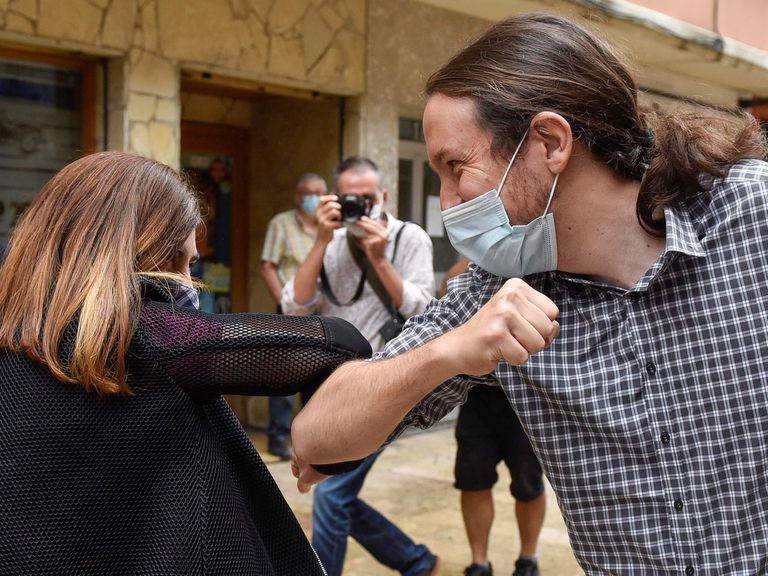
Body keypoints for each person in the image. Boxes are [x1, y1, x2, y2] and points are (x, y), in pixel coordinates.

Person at [291, 12, 768, 576]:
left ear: (549, 141)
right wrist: (448, 352)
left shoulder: (752, 218)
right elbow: (314, 442)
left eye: (455, 166)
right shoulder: (497, 293)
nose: (447, 204)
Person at [0, 151, 371, 575]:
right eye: (185, 263)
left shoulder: (15, 332)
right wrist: (327, 448)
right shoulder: (151, 339)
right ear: (154, 255)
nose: (188, 283)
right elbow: (339, 345)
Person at [282, 156, 439, 576]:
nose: (360, 207)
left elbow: (424, 310)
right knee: (339, 492)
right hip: (330, 386)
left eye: (367, 198)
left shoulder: (410, 238)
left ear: (383, 196)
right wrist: (319, 242)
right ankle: (416, 562)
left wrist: (380, 257)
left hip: (386, 381)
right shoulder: (328, 241)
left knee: (331, 493)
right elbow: (293, 308)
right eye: (351, 198)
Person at [441, 259, 545, 576]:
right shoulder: (476, 261)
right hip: (477, 391)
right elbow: (447, 288)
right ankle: (479, 562)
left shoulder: (540, 257)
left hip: (527, 392)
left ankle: (528, 559)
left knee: (529, 484)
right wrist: (482, 254)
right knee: (473, 481)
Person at [260, 172, 327, 460]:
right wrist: (285, 304)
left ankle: (312, 439)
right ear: (298, 196)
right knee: (284, 378)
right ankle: (277, 436)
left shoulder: (331, 228)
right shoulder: (282, 224)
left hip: (323, 313)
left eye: (319, 193)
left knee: (319, 378)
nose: (313, 198)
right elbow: (267, 266)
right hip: (290, 312)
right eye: (308, 192)